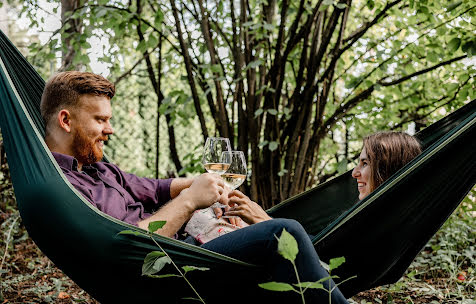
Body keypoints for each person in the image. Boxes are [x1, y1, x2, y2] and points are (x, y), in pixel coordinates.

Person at [42, 71, 420, 303]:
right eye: (101, 120)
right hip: (166, 270)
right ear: (66, 120)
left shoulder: (102, 169)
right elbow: (128, 246)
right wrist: (192, 200)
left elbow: (159, 187)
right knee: (284, 232)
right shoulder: (62, 188)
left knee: (271, 237)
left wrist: (208, 183)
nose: (110, 128)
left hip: (190, 248)